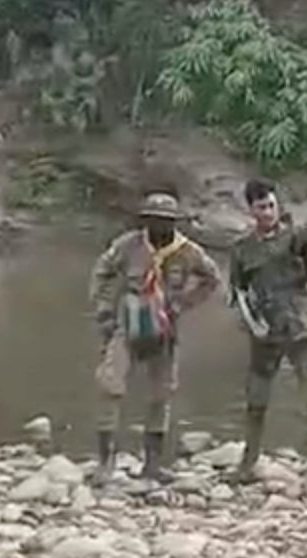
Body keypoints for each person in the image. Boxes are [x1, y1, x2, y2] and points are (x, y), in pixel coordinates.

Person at [88, 192, 222, 485]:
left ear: (174, 222)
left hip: (164, 327)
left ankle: (153, 463)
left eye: (165, 221)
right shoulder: (128, 245)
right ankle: (105, 462)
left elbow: (212, 279)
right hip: (128, 323)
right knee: (109, 384)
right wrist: (103, 309)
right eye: (152, 220)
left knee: (161, 394)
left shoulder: (188, 252)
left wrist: (183, 302)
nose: (158, 226)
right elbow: (102, 271)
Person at [228, 178, 307, 494]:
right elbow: (238, 292)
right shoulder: (242, 248)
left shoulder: (296, 238)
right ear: (251, 210)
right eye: (261, 207)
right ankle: (247, 465)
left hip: (300, 329)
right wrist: (251, 323)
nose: (268, 212)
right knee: (256, 401)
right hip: (265, 332)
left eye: (271, 205)